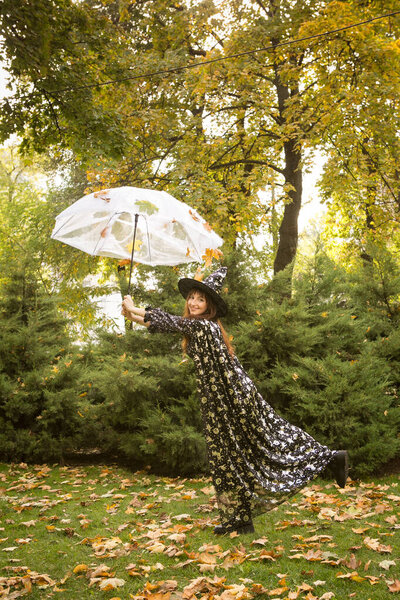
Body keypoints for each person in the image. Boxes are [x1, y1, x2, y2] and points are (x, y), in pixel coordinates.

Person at [121, 266, 349, 535]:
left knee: (269, 441)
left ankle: (330, 458)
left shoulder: (204, 327)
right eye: (192, 297)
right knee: (227, 456)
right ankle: (239, 519)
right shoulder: (199, 327)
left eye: (201, 299)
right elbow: (160, 323)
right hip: (220, 400)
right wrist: (131, 313)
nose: (194, 303)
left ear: (210, 306)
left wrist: (133, 308)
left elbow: (165, 321)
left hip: (234, 398)